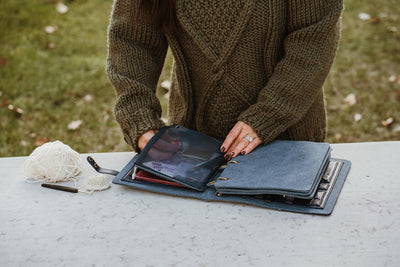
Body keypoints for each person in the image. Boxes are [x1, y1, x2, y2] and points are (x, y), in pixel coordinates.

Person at [106, 0, 343, 161]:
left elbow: (313, 42)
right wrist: (140, 121)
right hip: (191, 145)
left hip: (286, 138)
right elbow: (132, 43)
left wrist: (266, 117)